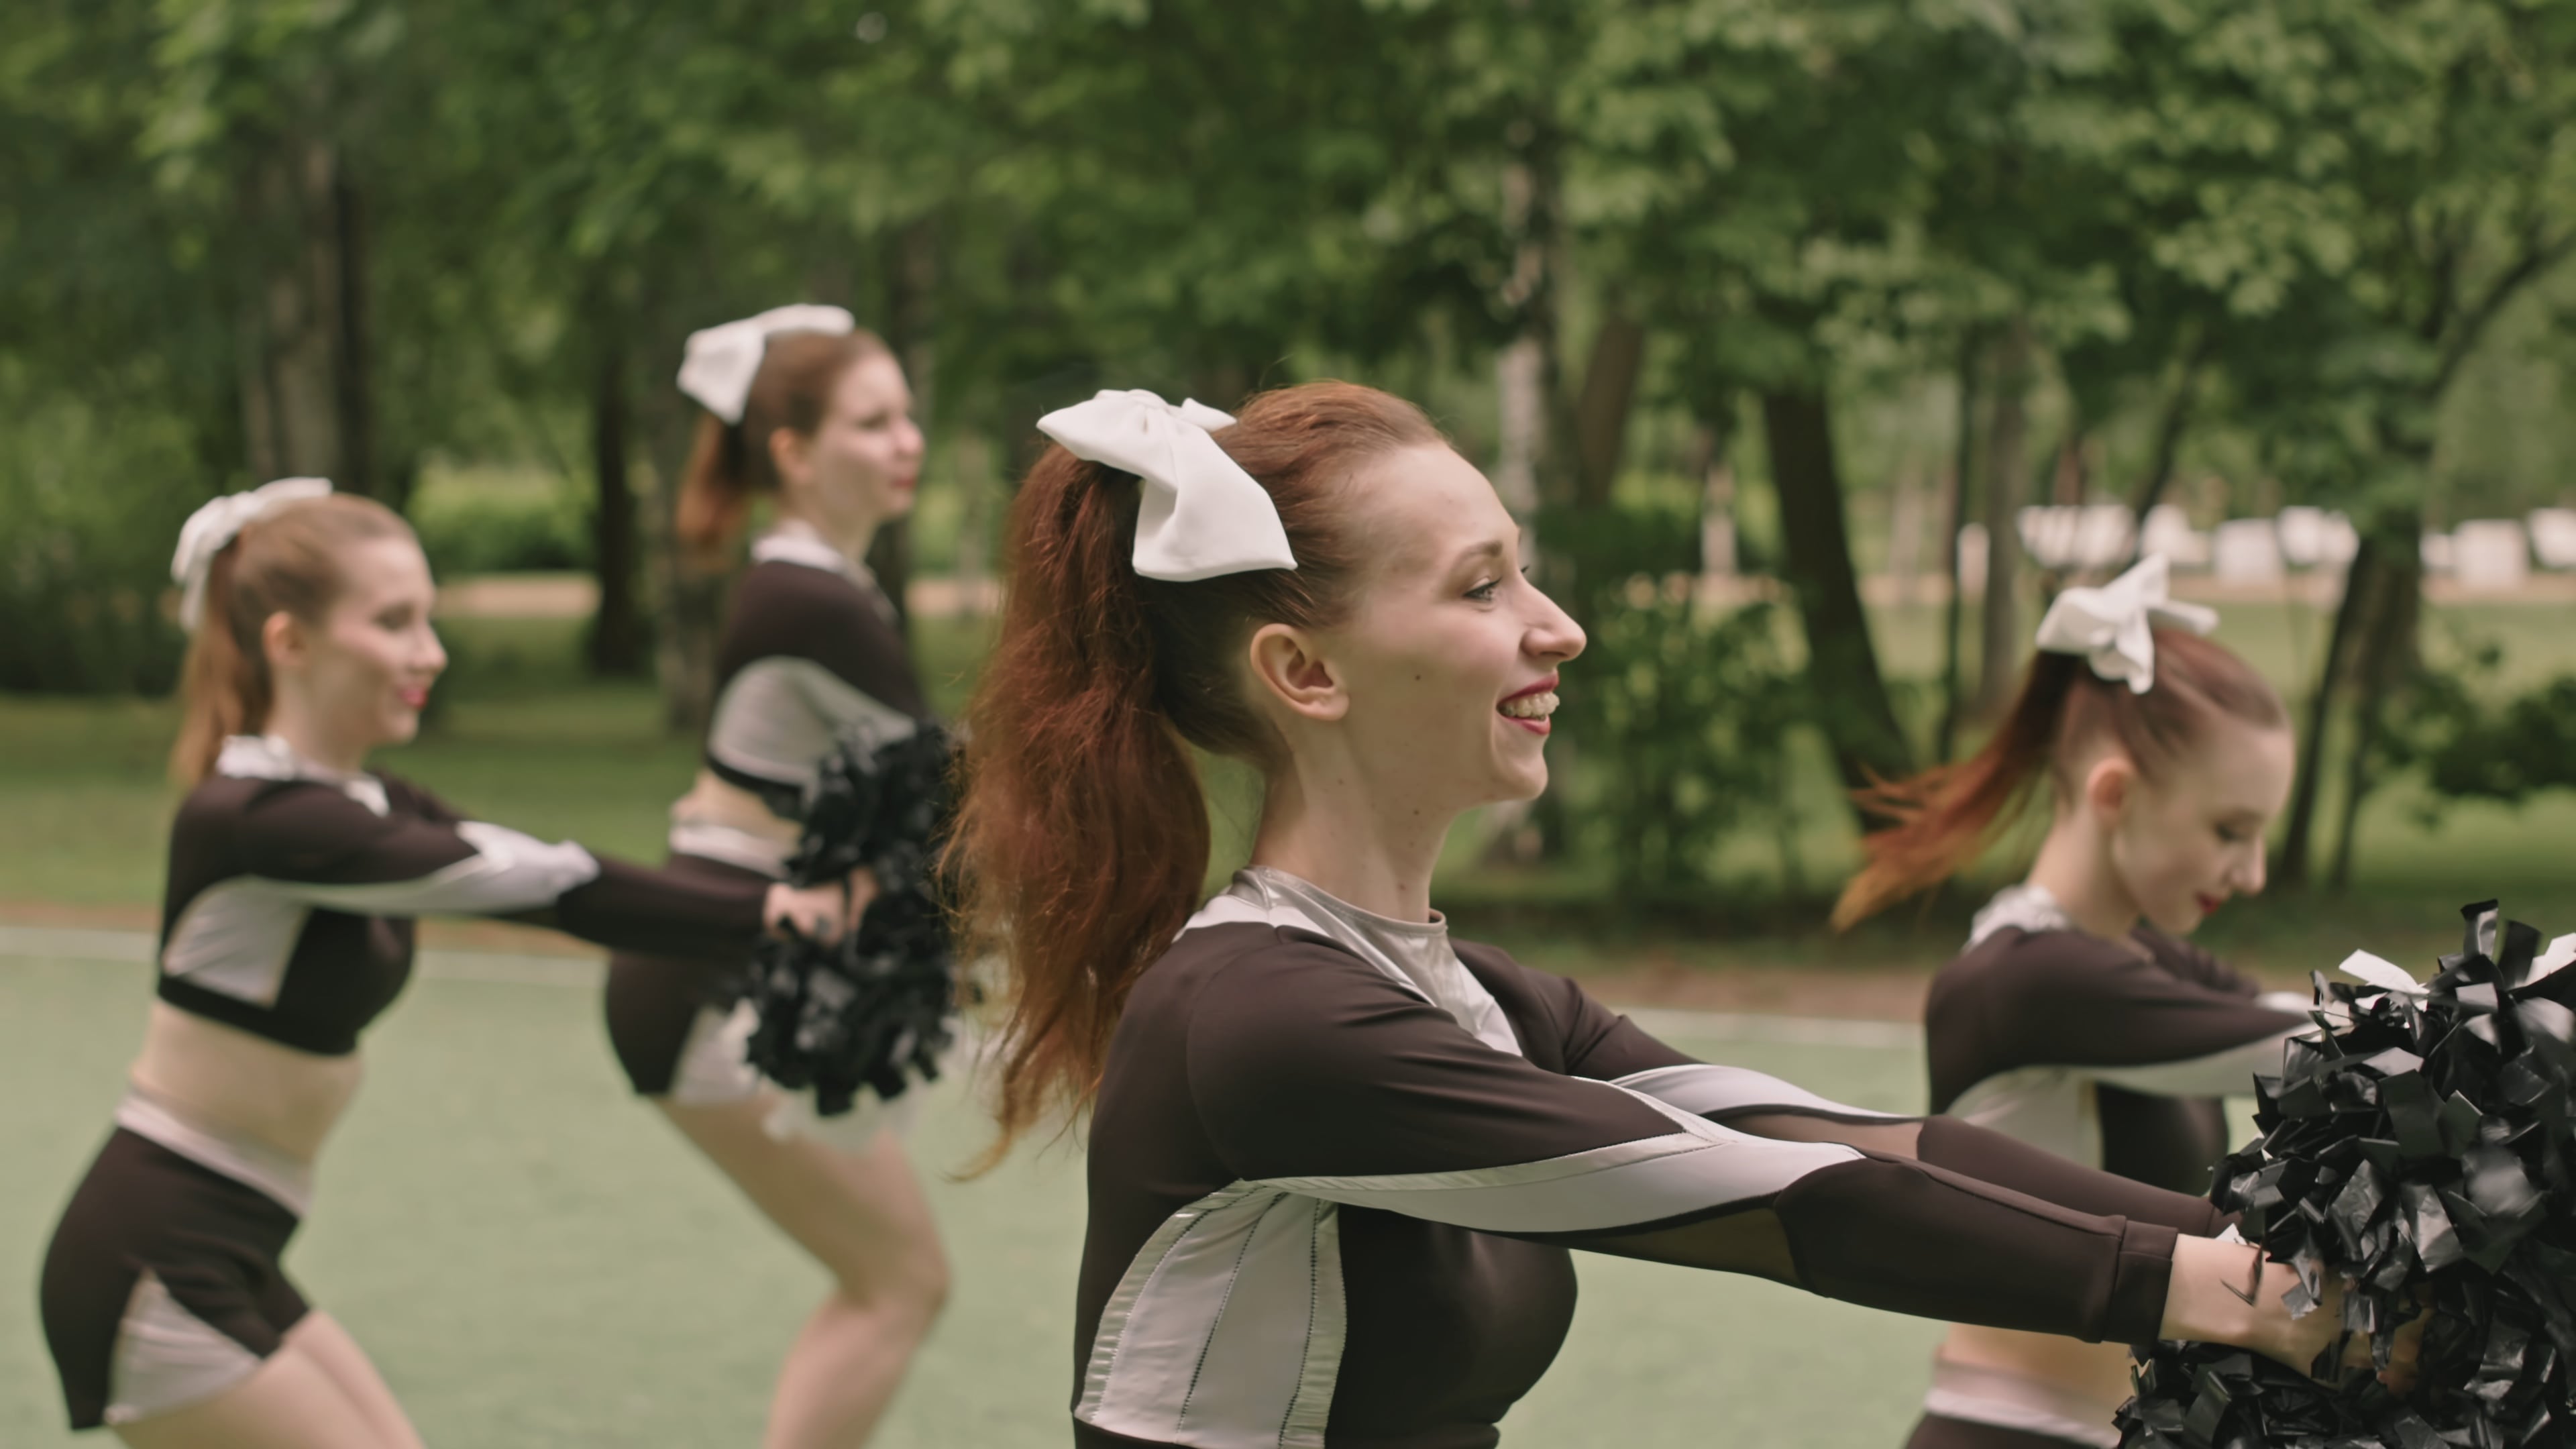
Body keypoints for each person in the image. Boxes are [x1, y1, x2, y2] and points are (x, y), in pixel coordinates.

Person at [945, 383, 2385, 1449]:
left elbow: (1853, 1140)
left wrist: (2325, 1251)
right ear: (1304, 673)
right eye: (1481, 585)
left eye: (1525, 565)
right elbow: (1775, 1200)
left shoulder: (1478, 998)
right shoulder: (1258, 1023)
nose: (1556, 622)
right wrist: (2243, 1298)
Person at [38, 482, 863, 1448]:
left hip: (234, 1246)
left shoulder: (363, 801)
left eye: (428, 618)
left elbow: (531, 861)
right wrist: (777, 910)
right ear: (288, 642)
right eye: (393, 623)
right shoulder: (261, 824)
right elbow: (550, 886)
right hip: (157, 1255)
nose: (430, 653)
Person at [1833, 557, 2317, 1449]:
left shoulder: (2140, 962)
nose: (2248, 875)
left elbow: (2299, 1020)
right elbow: (2316, 1041)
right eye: (2228, 832)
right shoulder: (2029, 983)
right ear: (2116, 794)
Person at [598, 305, 947, 1449]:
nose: (907, 441)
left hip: (723, 967)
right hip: (711, 978)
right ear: (792, 453)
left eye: (907, 416)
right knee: (899, 1281)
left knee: (893, 1280)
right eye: (872, 421)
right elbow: (957, 802)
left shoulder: (819, 587)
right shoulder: (811, 598)